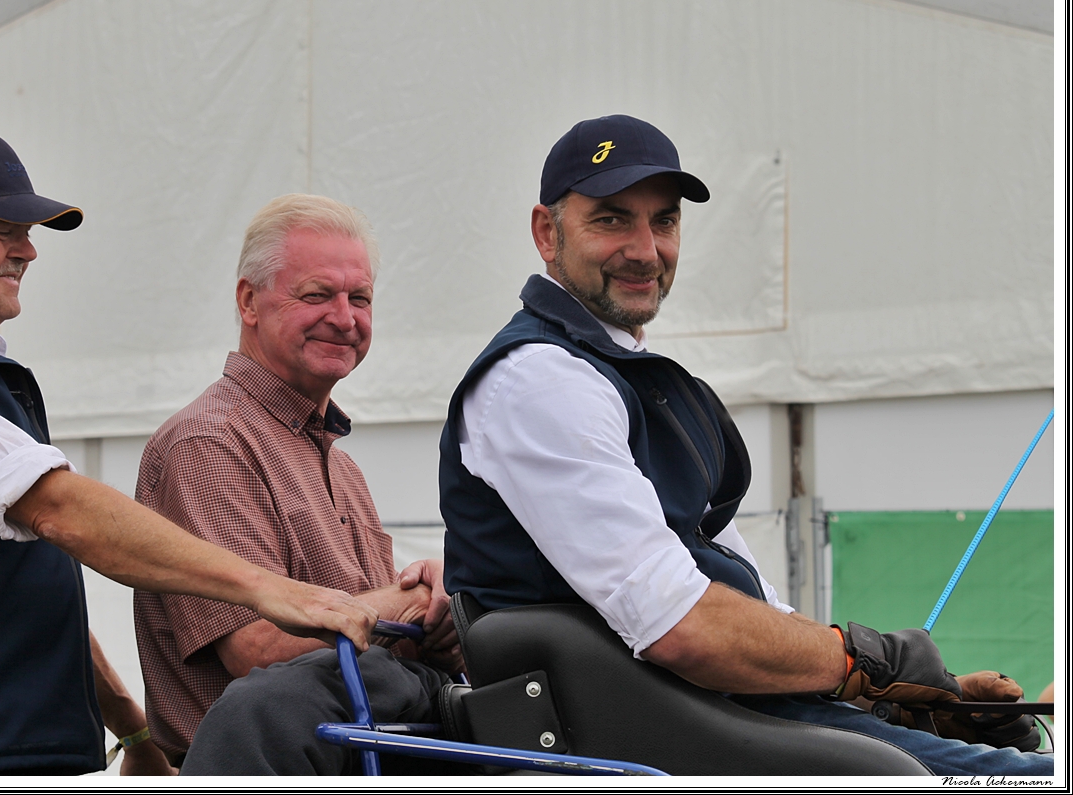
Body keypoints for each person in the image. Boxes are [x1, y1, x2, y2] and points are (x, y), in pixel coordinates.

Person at [438, 114, 1053, 776]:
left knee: (1020, 760)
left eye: (664, 221)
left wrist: (901, 695)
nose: (645, 250)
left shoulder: (637, 379)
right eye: (611, 220)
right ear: (546, 232)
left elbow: (753, 605)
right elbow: (682, 624)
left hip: (729, 715)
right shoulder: (538, 379)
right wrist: (866, 663)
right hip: (654, 738)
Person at [0, 128, 377, 777]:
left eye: (360, 297)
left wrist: (133, 729)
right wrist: (271, 590)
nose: (28, 250)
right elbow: (63, 510)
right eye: (4, 229)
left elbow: (33, 587)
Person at [133, 194, 461, 774]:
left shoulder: (341, 465)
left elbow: (371, 647)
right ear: (248, 302)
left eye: (360, 298)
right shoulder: (209, 443)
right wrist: (409, 600)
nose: (345, 318)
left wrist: (437, 615)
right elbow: (258, 652)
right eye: (316, 294)